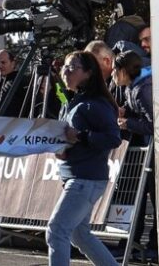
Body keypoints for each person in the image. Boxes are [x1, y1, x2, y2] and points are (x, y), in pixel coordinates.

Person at [45, 51, 121, 266]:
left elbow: (113, 138)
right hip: (79, 178)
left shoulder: (95, 104)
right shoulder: (76, 101)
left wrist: (80, 136)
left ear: (88, 73)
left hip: (85, 180)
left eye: (72, 67)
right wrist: (64, 148)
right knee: (80, 235)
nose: (65, 71)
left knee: (56, 231)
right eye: (65, 67)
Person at [112, 50, 156, 260]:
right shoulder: (132, 88)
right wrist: (125, 113)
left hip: (153, 152)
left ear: (123, 71)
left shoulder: (142, 89)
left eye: (114, 70)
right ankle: (133, 243)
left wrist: (128, 123)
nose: (111, 75)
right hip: (145, 152)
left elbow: (153, 123)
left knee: (154, 200)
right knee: (138, 198)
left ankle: (153, 247)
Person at [0, 49, 30, 117]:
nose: (0, 66)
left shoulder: (20, 80)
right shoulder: (0, 83)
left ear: (13, 63)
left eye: (3, 62)